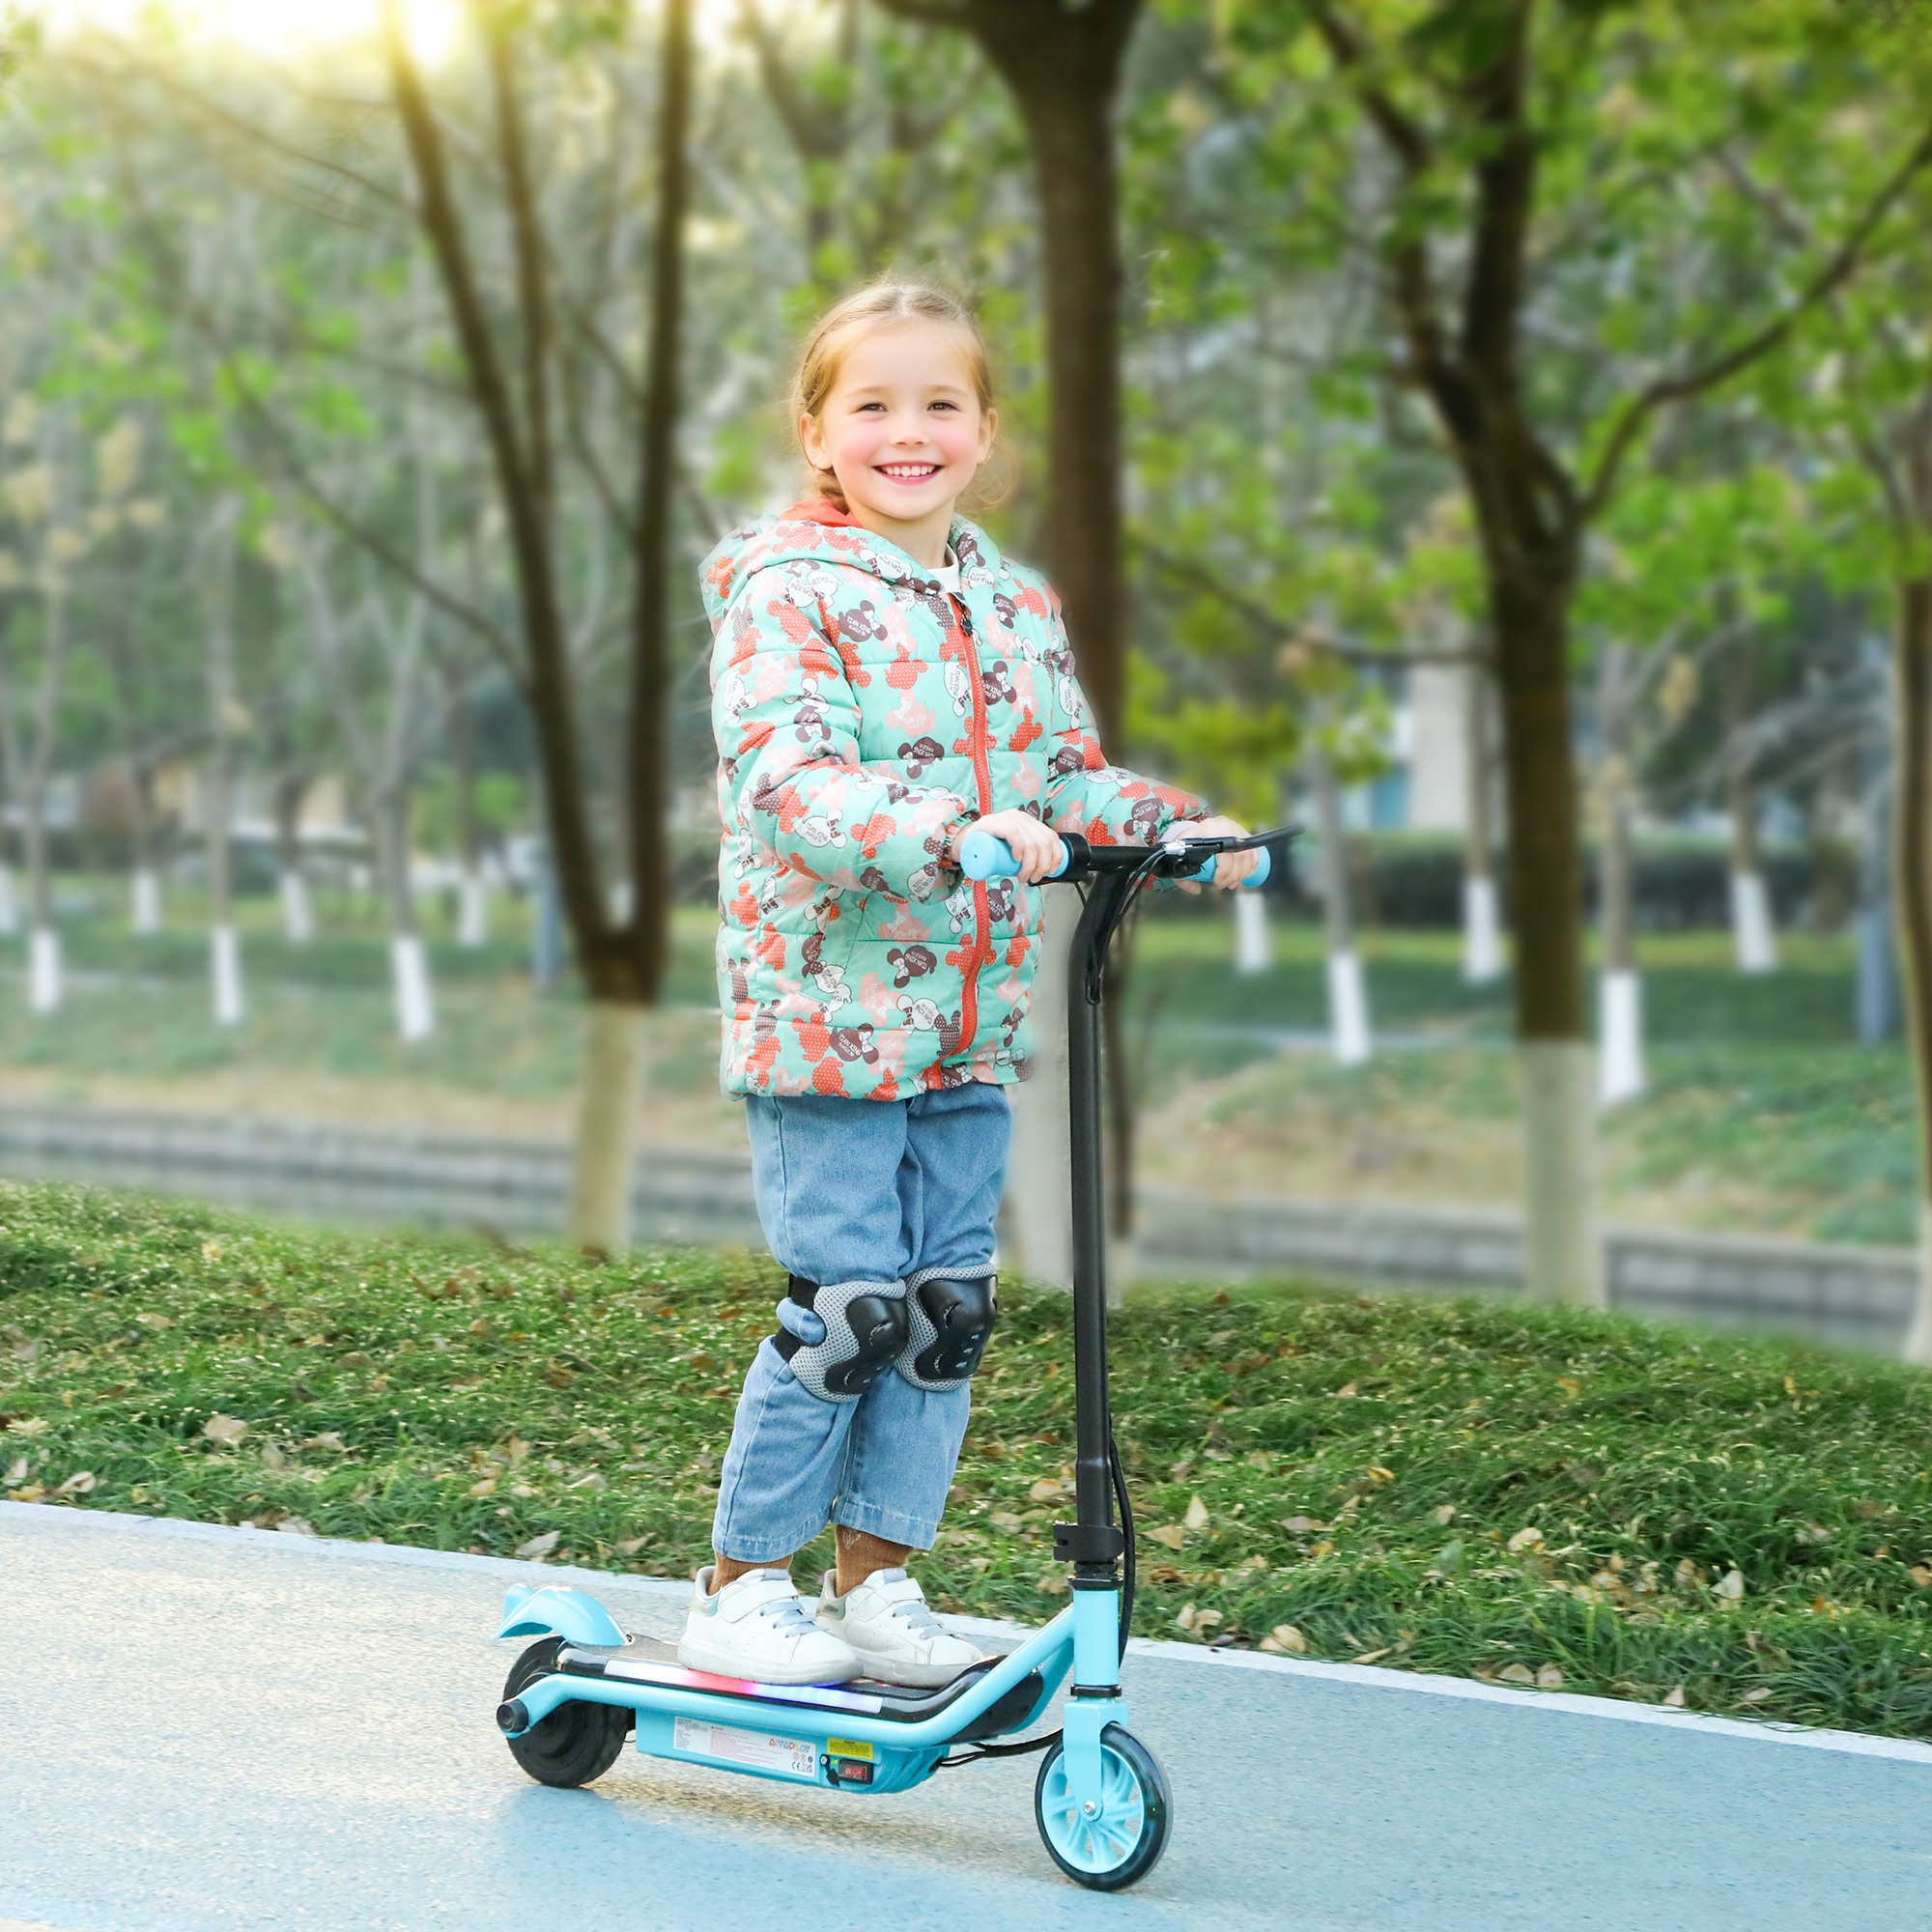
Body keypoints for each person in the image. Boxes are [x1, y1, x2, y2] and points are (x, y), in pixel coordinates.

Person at [682, 278, 1261, 1689]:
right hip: (829, 1023)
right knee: (848, 1312)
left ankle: (877, 1584)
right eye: (872, 404)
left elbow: (1064, 775)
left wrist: (1171, 823)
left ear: (986, 432)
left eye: (940, 403)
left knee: (943, 1312)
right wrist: (945, 836)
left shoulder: (1011, 603)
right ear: (818, 434)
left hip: (971, 1019)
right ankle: (742, 1585)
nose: (909, 431)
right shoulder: (785, 590)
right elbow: (791, 781)